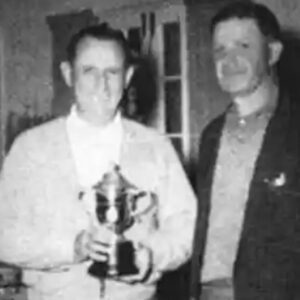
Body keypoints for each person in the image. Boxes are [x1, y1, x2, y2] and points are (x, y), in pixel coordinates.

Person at [0, 24, 197, 300]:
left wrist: (152, 255)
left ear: (128, 76)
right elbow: (3, 235)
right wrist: (70, 247)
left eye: (112, 72)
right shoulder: (30, 148)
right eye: (89, 71)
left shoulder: (156, 147)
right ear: (68, 74)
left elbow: (186, 227)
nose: (101, 85)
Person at [190, 2, 300, 300]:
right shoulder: (211, 135)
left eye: (243, 45)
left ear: (273, 53)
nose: (230, 59)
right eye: (220, 50)